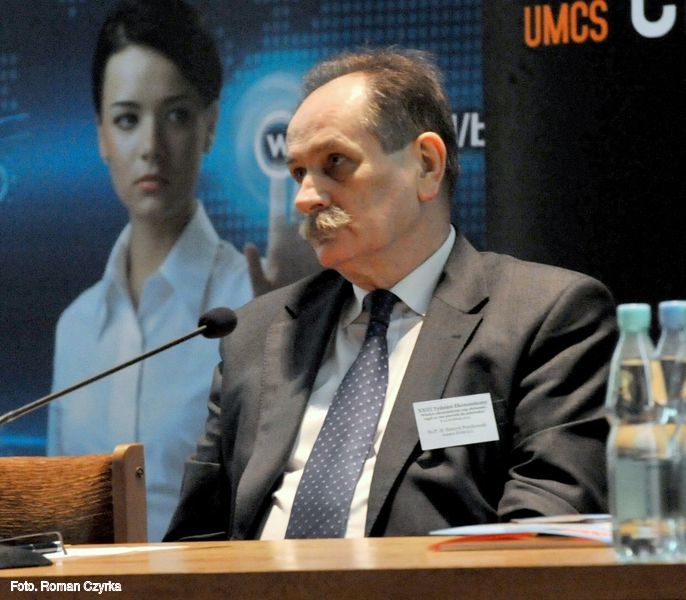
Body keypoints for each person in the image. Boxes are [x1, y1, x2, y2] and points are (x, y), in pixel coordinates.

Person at [165, 48, 617, 541]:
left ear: (426, 165)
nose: (306, 198)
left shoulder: (546, 316)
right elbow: (196, 543)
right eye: (298, 173)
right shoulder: (254, 334)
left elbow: (546, 535)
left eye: (335, 163)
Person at [47, 0, 316, 542]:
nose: (150, 148)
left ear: (209, 126)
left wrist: (305, 325)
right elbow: (52, 522)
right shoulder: (75, 327)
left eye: (175, 115)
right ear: (101, 135)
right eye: (127, 119)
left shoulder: (255, 300)